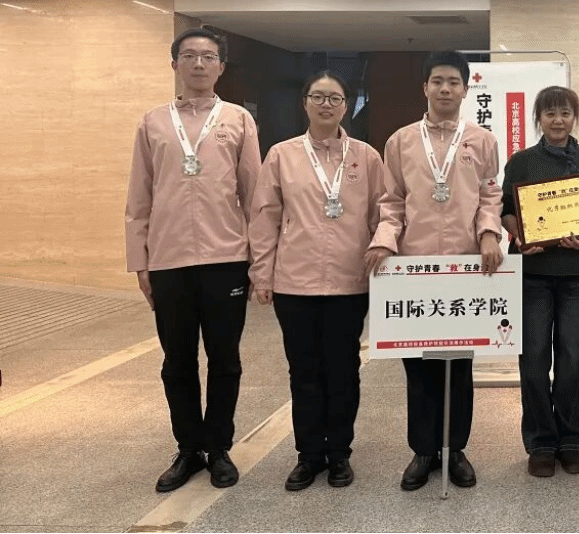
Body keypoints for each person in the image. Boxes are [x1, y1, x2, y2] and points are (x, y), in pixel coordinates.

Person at [124, 28, 262, 492]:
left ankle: (218, 447)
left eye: (208, 56)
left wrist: (259, 259)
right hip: (168, 260)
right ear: (175, 64)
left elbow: (255, 195)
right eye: (189, 55)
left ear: (221, 67)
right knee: (176, 361)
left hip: (227, 258)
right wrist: (140, 262)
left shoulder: (238, 119)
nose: (199, 64)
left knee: (225, 359)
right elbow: (139, 198)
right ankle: (188, 448)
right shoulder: (153, 122)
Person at [363, 51, 504, 492]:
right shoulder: (400, 141)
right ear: (424, 87)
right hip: (414, 268)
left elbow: (490, 196)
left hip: (464, 267)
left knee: (459, 367)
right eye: (438, 81)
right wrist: (385, 240)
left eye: (453, 82)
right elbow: (391, 201)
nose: (445, 89)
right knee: (418, 366)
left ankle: (455, 449)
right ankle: (423, 450)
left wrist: (489, 234)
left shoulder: (482, 140)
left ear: (466, 89)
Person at [248, 71, 386, 491]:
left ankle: (339, 453)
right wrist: (262, 274)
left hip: (350, 282)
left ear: (347, 106)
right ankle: (308, 455)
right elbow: (265, 218)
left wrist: (383, 258)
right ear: (305, 102)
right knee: (304, 371)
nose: (326, 104)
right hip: (295, 283)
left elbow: (382, 215)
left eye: (335, 98)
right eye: (318, 96)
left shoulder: (367, 157)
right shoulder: (282, 155)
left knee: (344, 370)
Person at [500, 86, 579, 478]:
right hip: (533, 276)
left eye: (564, 113)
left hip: (577, 275)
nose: (557, 120)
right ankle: (541, 442)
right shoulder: (522, 162)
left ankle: (571, 440)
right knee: (533, 360)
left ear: (574, 117)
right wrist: (519, 235)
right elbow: (506, 210)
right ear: (539, 119)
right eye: (550, 113)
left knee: (573, 360)